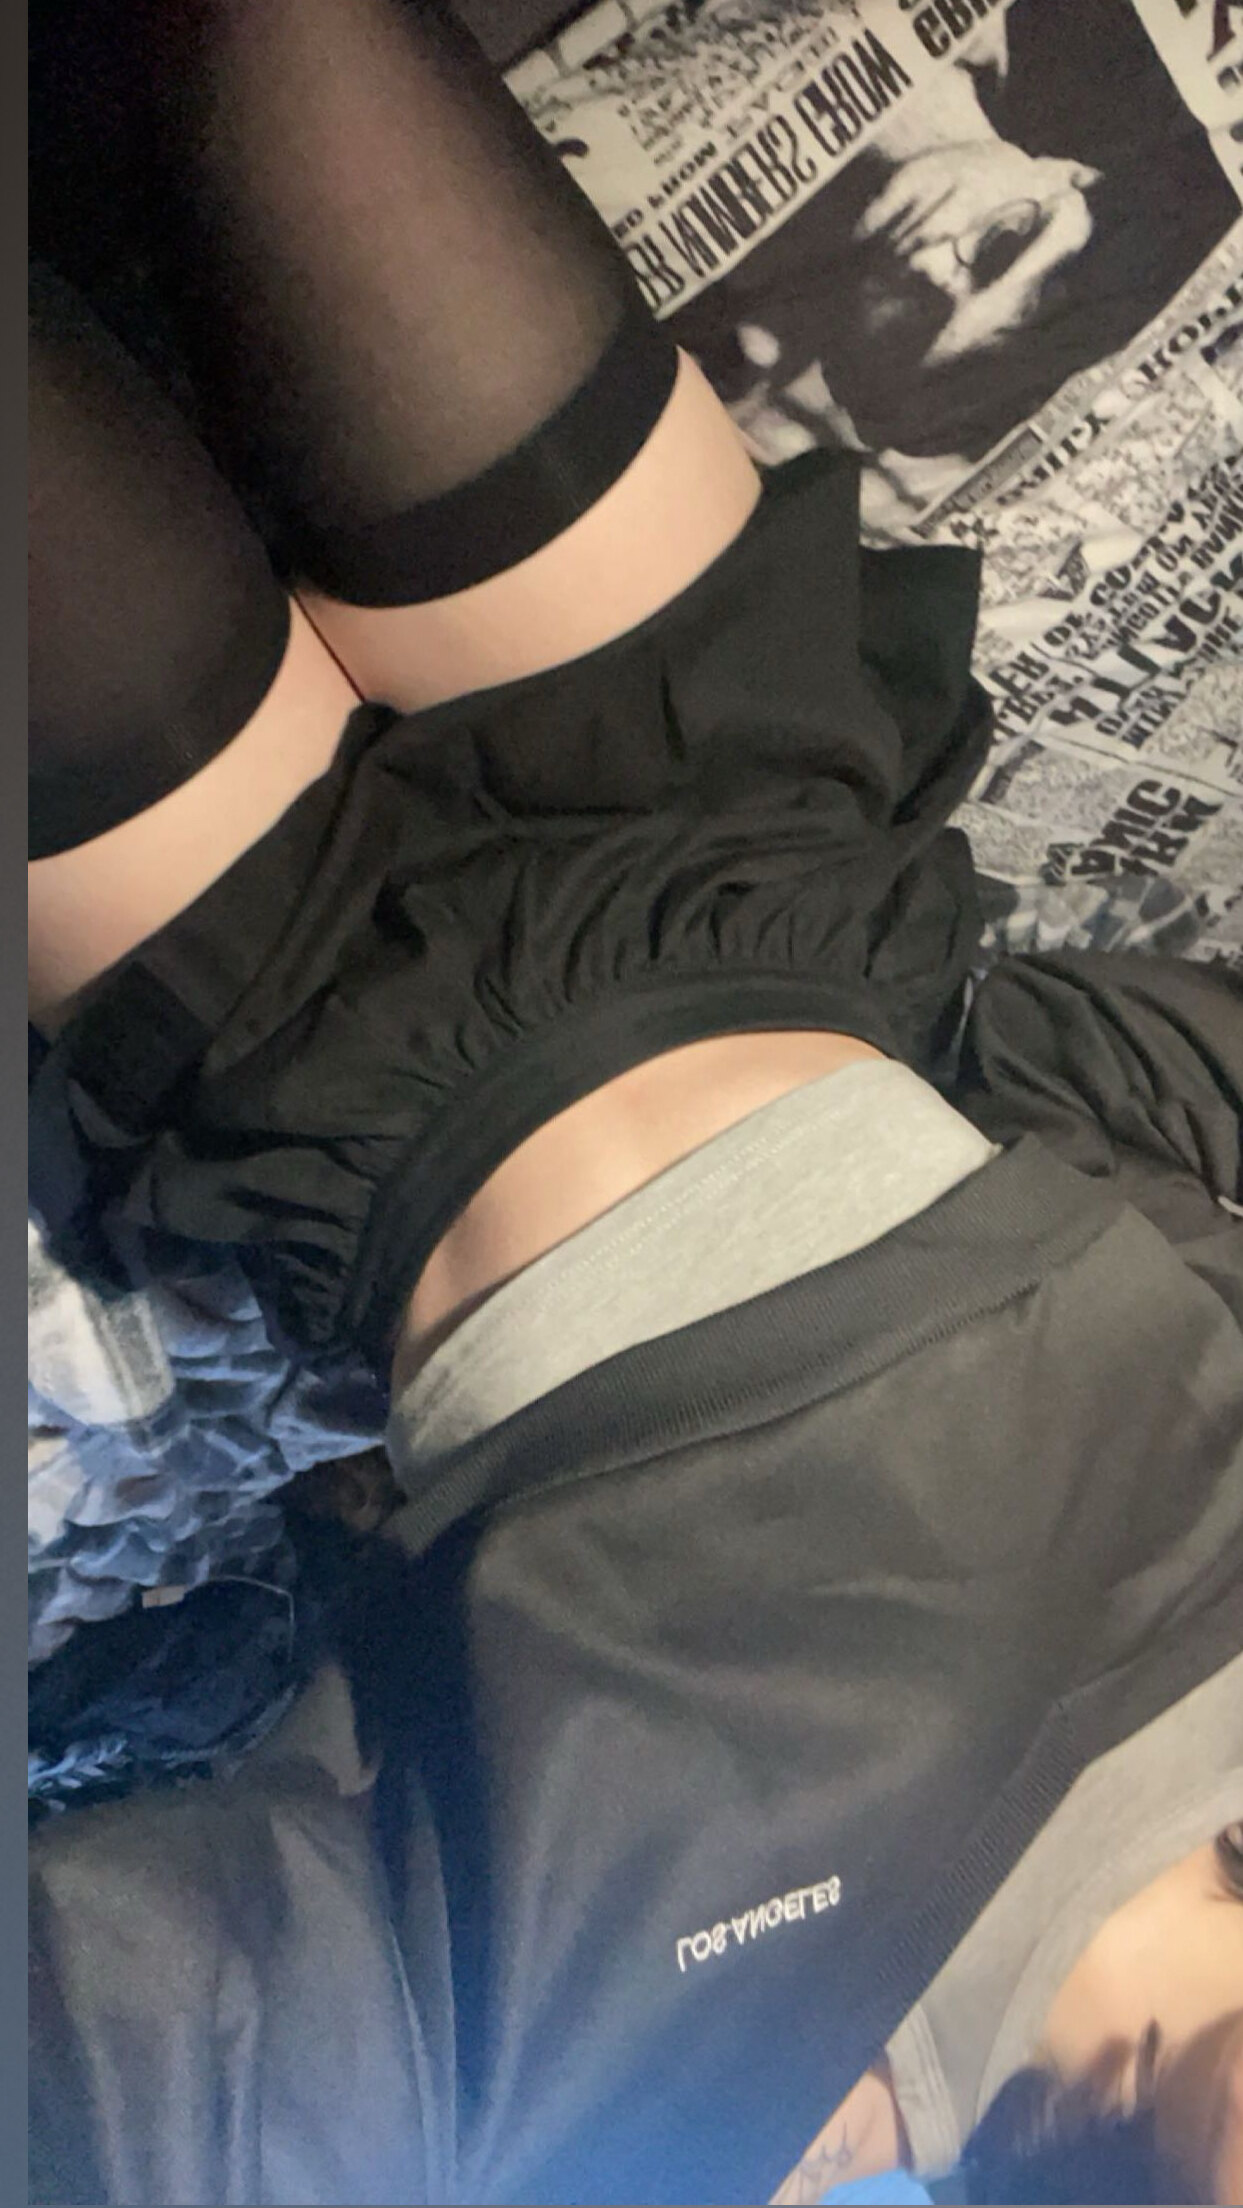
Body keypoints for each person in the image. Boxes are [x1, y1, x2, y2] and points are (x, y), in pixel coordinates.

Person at [28, 2, 1242, 2201]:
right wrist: (968, 1103)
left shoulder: (672, 2110)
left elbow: (109, 2083)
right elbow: (1170, 1086)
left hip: (291, 1007)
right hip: (728, 807)